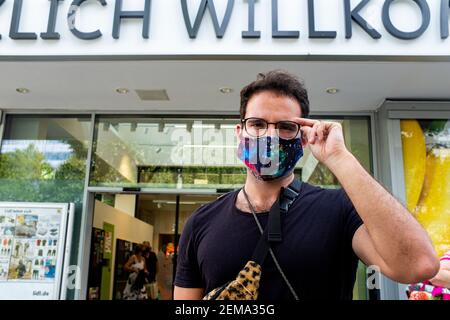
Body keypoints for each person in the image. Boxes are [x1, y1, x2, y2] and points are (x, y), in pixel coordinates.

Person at [173, 70, 440, 300]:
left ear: (302, 140)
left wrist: (340, 158)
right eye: (257, 124)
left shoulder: (339, 210)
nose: (269, 135)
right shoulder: (201, 222)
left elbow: (418, 265)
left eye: (285, 126)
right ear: (240, 131)